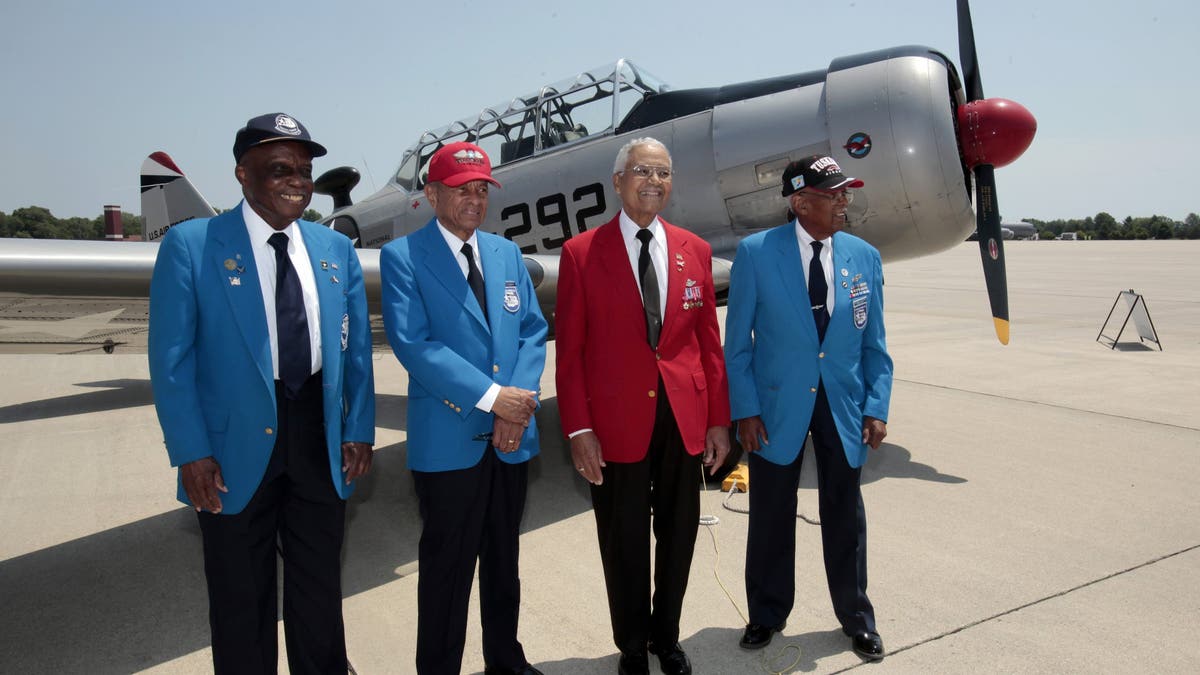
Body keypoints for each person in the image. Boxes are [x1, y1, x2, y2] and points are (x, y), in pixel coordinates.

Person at [148, 112, 376, 673]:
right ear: (242, 174)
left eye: (304, 169)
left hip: (318, 437)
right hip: (230, 448)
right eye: (280, 169)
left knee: (319, 590)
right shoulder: (191, 245)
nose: (298, 180)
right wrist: (190, 451)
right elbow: (170, 362)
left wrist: (358, 428)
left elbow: (355, 354)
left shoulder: (334, 249)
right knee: (239, 597)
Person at [555, 137, 731, 675]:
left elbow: (707, 343)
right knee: (624, 539)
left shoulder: (694, 250)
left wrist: (719, 420)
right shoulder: (582, 254)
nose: (652, 181)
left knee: (678, 536)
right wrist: (578, 429)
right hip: (614, 424)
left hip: (684, 419)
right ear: (617, 180)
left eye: (663, 172)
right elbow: (571, 352)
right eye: (641, 171)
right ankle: (632, 645)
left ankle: (666, 638)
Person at [379, 142, 548, 675]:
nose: (474, 200)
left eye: (481, 190)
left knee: (505, 562)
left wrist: (514, 406)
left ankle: (506, 660)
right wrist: (495, 399)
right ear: (432, 195)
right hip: (449, 442)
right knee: (446, 572)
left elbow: (532, 331)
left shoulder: (506, 254)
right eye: (461, 191)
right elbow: (415, 344)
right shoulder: (403, 257)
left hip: (510, 438)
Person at [724, 154, 893, 661]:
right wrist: (746, 410)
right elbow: (737, 347)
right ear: (800, 202)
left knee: (846, 518)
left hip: (843, 406)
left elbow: (875, 345)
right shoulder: (755, 254)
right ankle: (767, 614)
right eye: (834, 193)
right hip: (776, 407)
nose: (844, 201)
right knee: (771, 516)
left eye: (845, 192)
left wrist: (876, 405)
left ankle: (856, 619)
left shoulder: (864, 256)